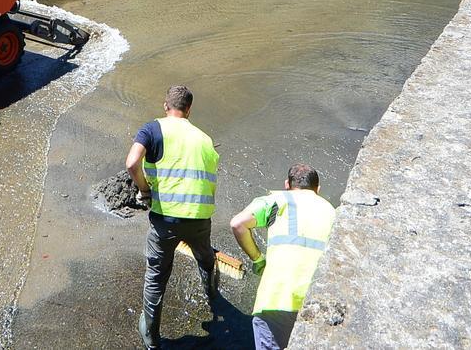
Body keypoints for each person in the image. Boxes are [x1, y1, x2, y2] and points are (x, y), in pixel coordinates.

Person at [125, 85, 220, 350]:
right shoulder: (204, 138)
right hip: (200, 218)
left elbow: (132, 163)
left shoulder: (153, 129)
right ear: (189, 110)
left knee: (156, 275)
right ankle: (211, 292)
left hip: (165, 218)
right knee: (205, 256)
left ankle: (152, 337)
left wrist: (144, 189)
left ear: (165, 106)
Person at [229, 164, 335, 350]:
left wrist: (258, 259)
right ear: (318, 189)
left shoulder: (277, 200)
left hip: (276, 298)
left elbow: (238, 224)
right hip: (317, 301)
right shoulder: (332, 211)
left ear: (287, 184)